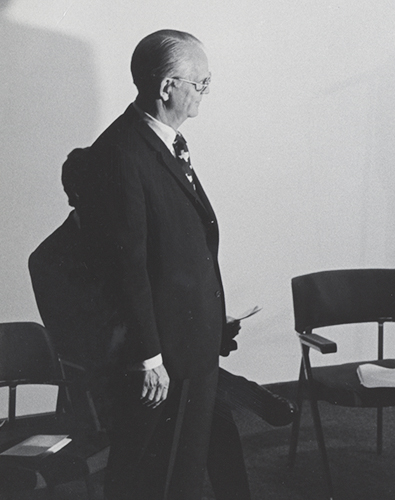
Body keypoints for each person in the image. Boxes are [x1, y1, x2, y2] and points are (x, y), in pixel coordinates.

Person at [80, 29, 223, 499]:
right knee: (145, 477)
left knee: (181, 472)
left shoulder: (163, 141)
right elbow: (127, 268)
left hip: (186, 343)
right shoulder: (121, 154)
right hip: (158, 358)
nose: (205, 91)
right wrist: (148, 357)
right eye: (199, 83)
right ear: (167, 87)